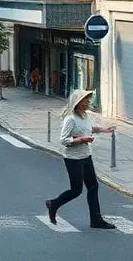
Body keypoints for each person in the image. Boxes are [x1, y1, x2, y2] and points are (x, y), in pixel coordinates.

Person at [44, 90, 117, 230]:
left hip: (86, 155)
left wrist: (103, 129)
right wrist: (81, 139)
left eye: (88, 100)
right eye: (86, 101)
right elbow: (64, 140)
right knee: (76, 190)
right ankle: (54, 204)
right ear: (78, 103)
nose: (88, 103)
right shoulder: (70, 119)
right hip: (73, 158)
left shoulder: (84, 116)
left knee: (93, 186)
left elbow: (88, 129)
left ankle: (96, 220)